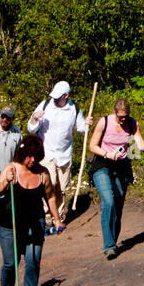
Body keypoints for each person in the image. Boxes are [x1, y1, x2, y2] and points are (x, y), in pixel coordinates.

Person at [0, 134, 63, 286]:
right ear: (22, 154)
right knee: (10, 262)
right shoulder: (11, 169)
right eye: (29, 156)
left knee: (33, 260)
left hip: (35, 222)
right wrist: (6, 182)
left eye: (36, 156)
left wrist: (56, 219)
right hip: (10, 224)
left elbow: (51, 197)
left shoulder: (42, 173)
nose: (32, 160)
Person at [88, 98, 144, 259]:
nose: (123, 120)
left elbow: (138, 146)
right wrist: (108, 154)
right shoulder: (104, 122)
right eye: (120, 117)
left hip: (122, 167)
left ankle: (113, 240)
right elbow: (92, 146)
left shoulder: (132, 124)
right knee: (108, 201)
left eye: (125, 116)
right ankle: (109, 246)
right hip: (103, 164)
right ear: (115, 113)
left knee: (118, 205)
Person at [27, 81, 91, 225]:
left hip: (64, 154)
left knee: (61, 188)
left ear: (66, 96)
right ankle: (47, 216)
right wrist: (35, 118)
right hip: (46, 153)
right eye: (54, 97)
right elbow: (31, 128)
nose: (55, 100)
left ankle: (60, 215)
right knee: (49, 184)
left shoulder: (74, 108)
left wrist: (86, 123)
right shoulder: (45, 105)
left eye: (58, 97)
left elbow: (80, 128)